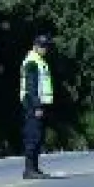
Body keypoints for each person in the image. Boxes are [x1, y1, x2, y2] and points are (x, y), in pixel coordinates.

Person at [20, 34, 54, 178]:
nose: (45, 48)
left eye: (46, 46)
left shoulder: (40, 61)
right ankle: (29, 170)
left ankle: (34, 168)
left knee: (38, 136)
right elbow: (31, 86)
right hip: (32, 105)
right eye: (43, 46)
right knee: (32, 136)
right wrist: (37, 106)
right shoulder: (32, 61)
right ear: (35, 46)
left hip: (38, 104)